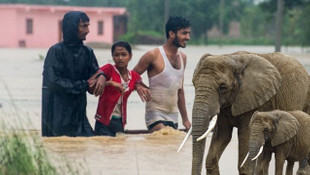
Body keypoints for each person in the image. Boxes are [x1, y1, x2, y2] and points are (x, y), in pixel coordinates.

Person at [41, 11, 106, 137]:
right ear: (71, 27)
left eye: (88, 26)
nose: (87, 31)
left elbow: (96, 72)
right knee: (59, 147)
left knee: (86, 144)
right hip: (57, 116)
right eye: (84, 26)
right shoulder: (56, 51)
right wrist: (84, 85)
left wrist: (102, 76)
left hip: (79, 115)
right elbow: (52, 81)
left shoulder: (88, 52)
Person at [133, 16, 192, 133]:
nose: (188, 37)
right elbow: (130, 76)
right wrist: (138, 86)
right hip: (155, 114)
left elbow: (180, 91)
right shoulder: (153, 55)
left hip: (173, 116)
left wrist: (185, 120)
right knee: (164, 136)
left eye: (189, 33)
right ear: (171, 34)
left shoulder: (183, 58)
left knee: (169, 147)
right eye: (184, 33)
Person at [93, 41, 147, 136]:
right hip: (103, 121)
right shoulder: (108, 69)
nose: (120, 58)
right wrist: (111, 83)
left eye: (124, 55)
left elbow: (144, 87)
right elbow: (91, 84)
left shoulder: (133, 76)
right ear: (112, 57)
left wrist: (138, 86)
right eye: (116, 55)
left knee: (119, 149)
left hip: (120, 121)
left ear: (130, 56)